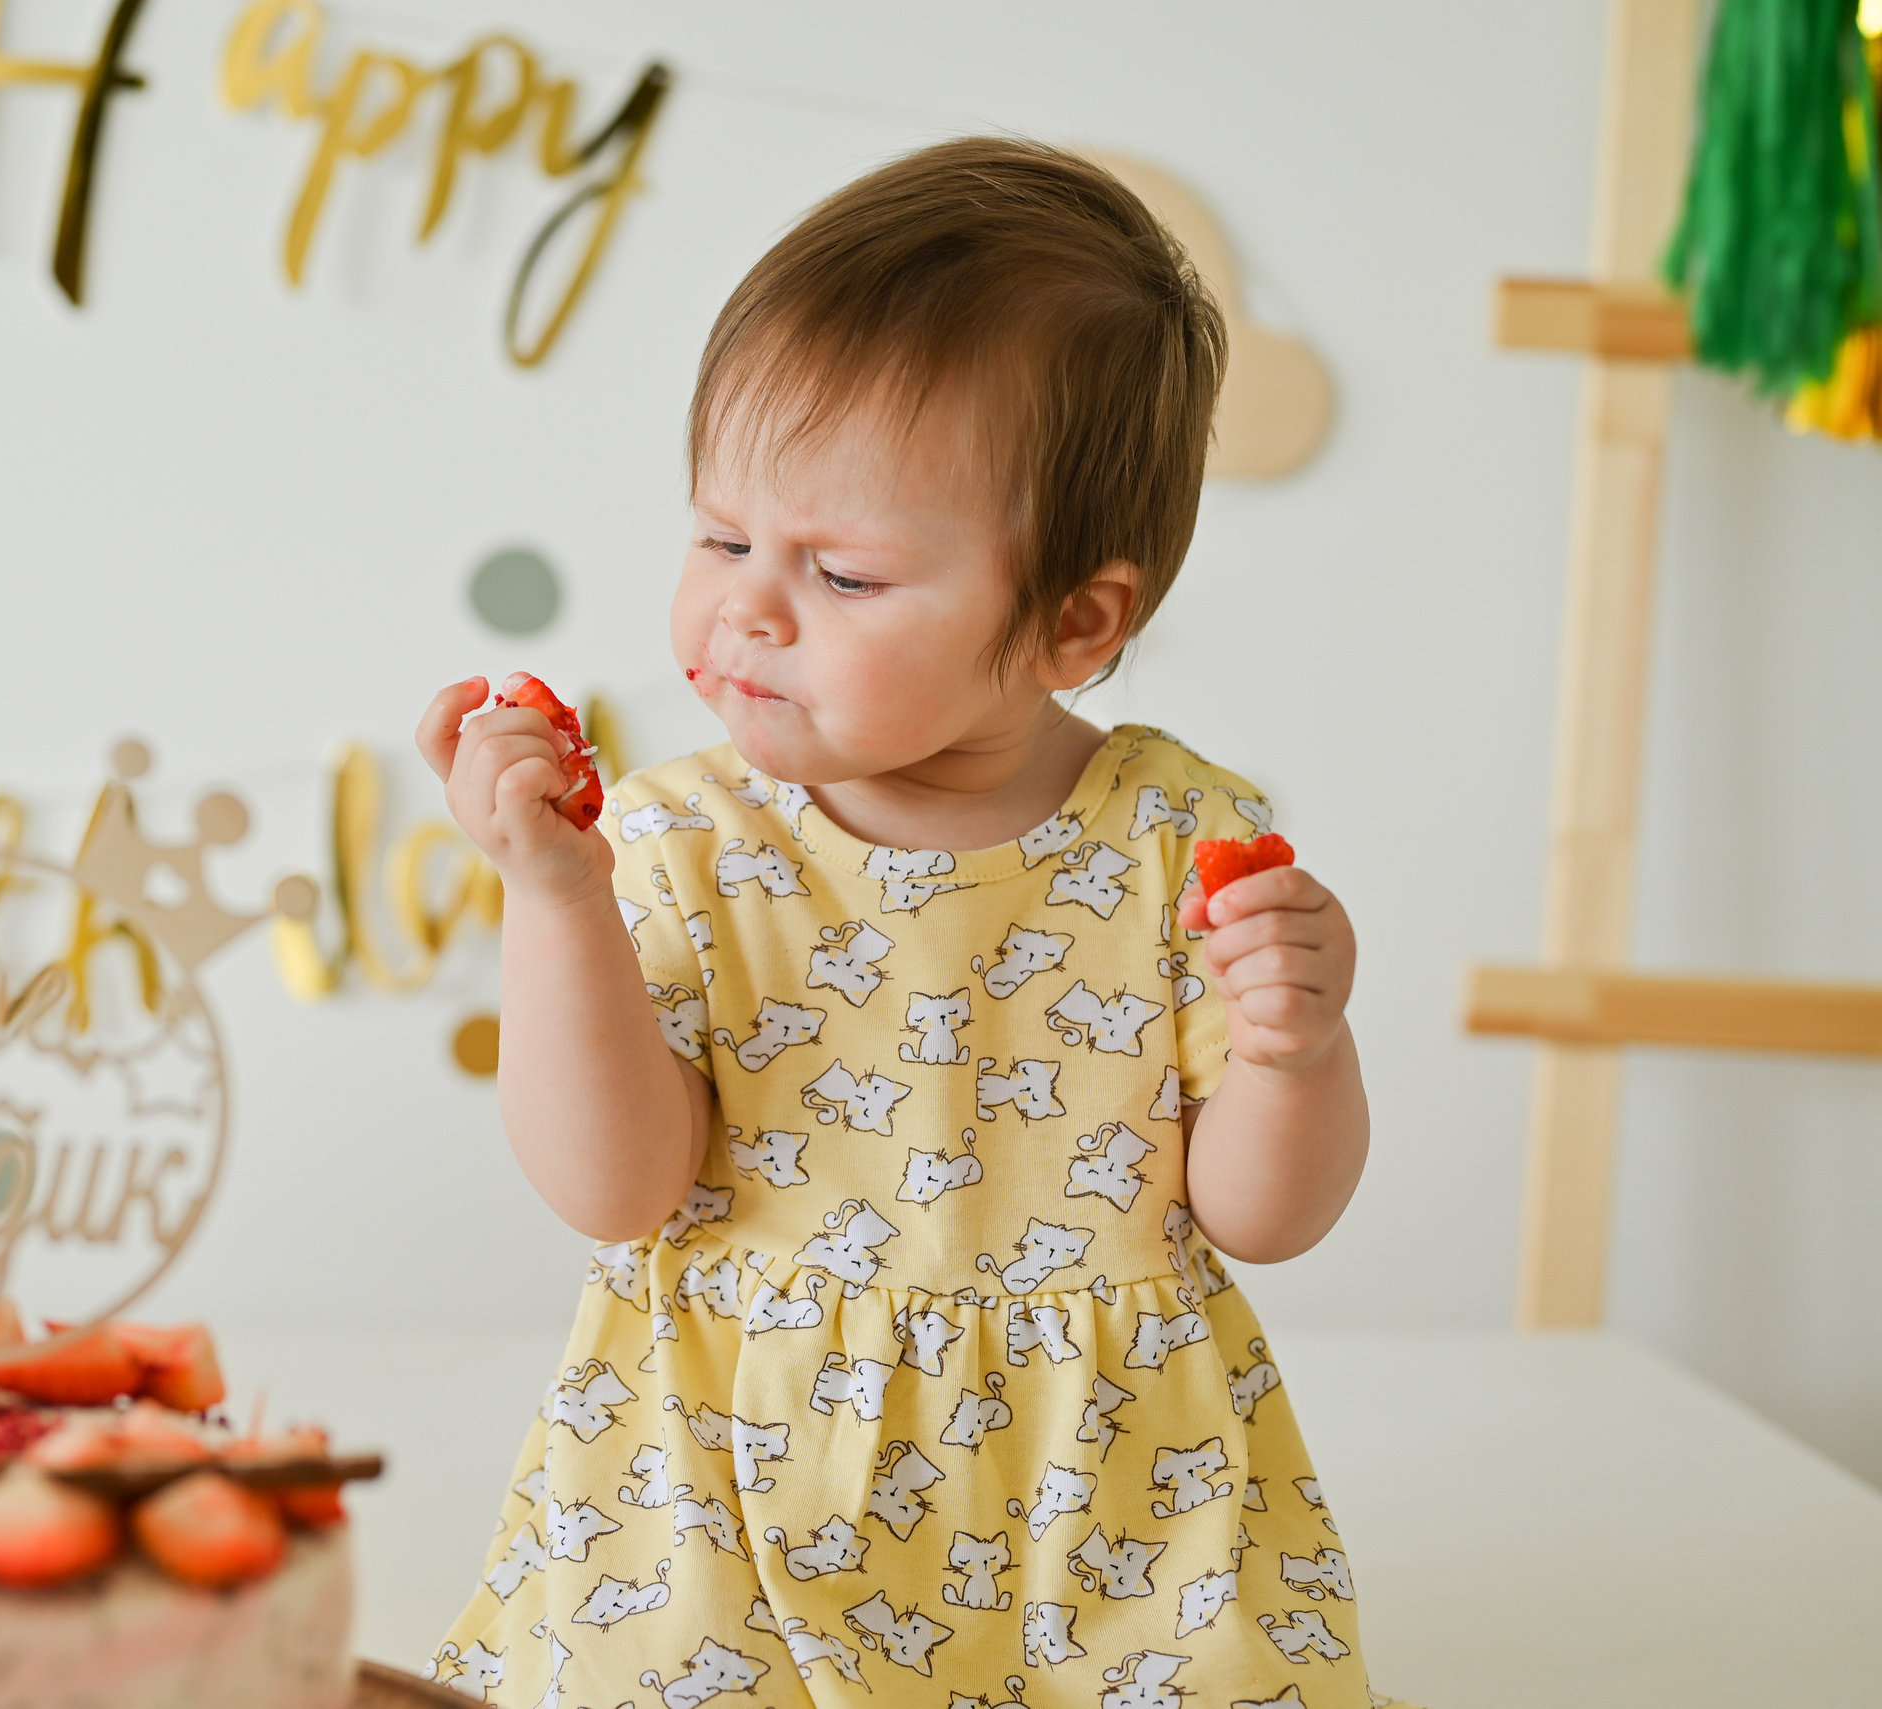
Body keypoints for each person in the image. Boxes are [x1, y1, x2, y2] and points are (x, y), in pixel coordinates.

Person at [415, 136, 1400, 1709]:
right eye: (724, 537)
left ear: (1074, 620)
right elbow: (617, 1183)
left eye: (845, 573)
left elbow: (1264, 1215)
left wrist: (1299, 1047)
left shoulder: (1177, 839)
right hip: (733, 1490)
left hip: (1109, 1506)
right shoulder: (675, 839)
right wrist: (554, 900)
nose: (747, 605)